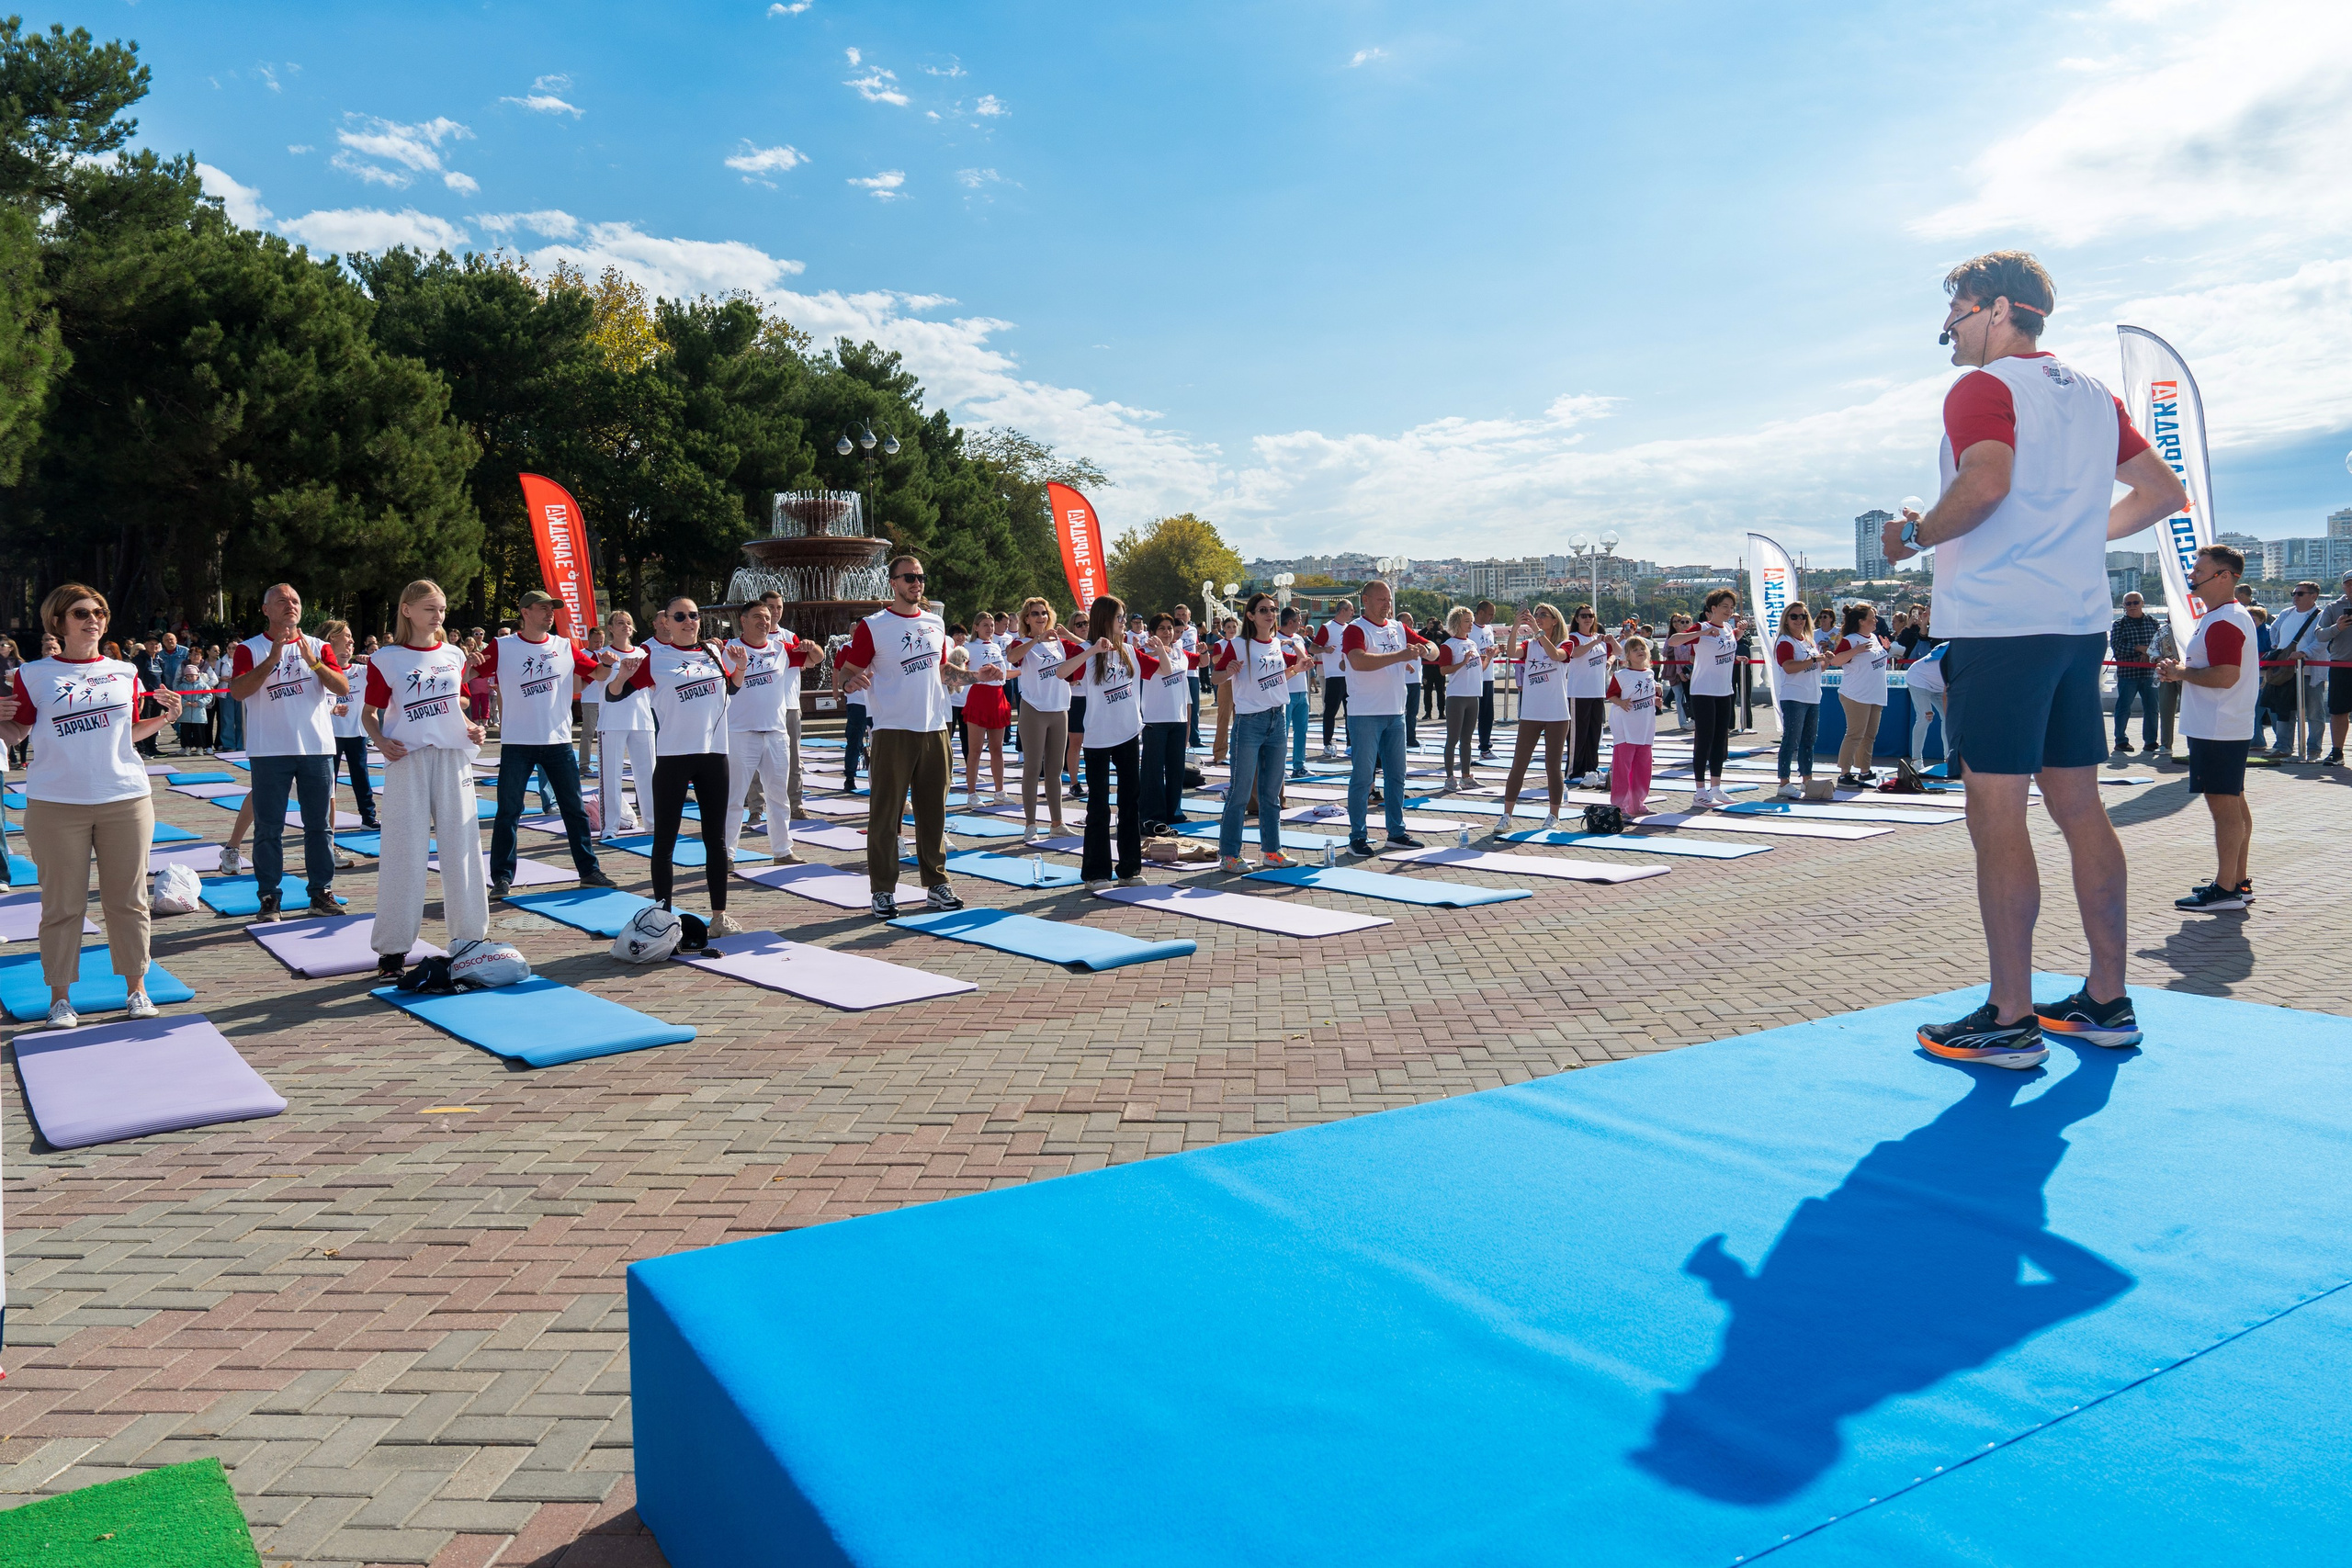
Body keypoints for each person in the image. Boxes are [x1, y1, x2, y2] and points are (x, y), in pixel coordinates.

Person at [1880, 248, 2186, 1066]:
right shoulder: (2090, 394)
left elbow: (1985, 486)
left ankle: (2009, 1014)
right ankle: (2106, 999)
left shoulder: (1983, 387)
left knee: (1997, 813)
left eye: (1958, 308)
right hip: (2074, 621)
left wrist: (1907, 537)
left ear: (1999, 308)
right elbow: (2163, 494)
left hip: (2000, 624)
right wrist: (2079, 535)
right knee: (2079, 805)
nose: (1947, 325)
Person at [0, 583, 183, 1027]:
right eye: (81, 613)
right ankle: (60, 999)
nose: (93, 619)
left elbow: (130, 733)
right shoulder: (33, 674)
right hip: (56, 804)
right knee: (63, 905)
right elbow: (14, 735)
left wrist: (167, 718)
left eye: (99, 611)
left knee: (130, 901)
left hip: (126, 798)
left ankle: (136, 991)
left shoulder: (125, 671)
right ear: (58, 622)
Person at [363, 581, 489, 977]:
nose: (439, 615)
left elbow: (456, 706)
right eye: (431, 608)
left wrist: (474, 728)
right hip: (407, 761)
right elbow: (369, 714)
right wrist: (381, 740)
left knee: (463, 849)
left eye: (442, 608)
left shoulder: (453, 654)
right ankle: (393, 951)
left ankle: (469, 940)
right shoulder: (386, 658)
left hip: (453, 759)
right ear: (407, 610)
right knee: (403, 853)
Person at [833, 555, 970, 919]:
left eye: (921, 577)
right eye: (909, 577)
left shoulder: (935, 622)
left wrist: (978, 677)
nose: (917, 583)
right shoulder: (873, 626)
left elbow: (944, 673)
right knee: (885, 814)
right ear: (892, 582)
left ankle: (937, 883)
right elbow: (845, 673)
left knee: (934, 813)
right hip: (892, 730)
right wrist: (850, 682)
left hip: (934, 728)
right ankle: (882, 890)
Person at [607, 597, 741, 932]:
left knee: (717, 840)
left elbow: (733, 689)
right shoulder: (653, 659)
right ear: (666, 621)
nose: (688, 621)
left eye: (694, 615)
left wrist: (738, 668)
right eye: (680, 616)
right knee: (665, 840)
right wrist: (621, 677)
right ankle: (662, 917)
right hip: (673, 758)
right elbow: (613, 695)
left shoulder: (714, 653)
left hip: (714, 755)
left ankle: (720, 916)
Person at [225, 582, 349, 921]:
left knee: (319, 826)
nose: (290, 605)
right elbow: (237, 692)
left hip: (317, 749)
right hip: (269, 751)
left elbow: (342, 687)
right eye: (281, 601)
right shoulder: (249, 649)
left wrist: (314, 664)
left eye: (295, 600)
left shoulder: (319, 646)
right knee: (268, 828)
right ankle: (269, 896)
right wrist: (272, 660)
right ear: (266, 609)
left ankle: (320, 892)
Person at [481, 592, 613, 899]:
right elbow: (471, 672)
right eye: (543, 609)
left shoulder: (564, 646)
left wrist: (607, 663)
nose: (550, 614)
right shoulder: (502, 647)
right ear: (524, 612)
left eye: (552, 609)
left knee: (574, 811)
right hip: (517, 743)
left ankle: (589, 871)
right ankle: (501, 877)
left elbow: (598, 674)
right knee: (508, 812)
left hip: (558, 742)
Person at [2160, 546, 2258, 911]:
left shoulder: (2224, 620)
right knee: (2232, 802)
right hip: (2222, 725)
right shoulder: (2223, 616)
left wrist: (2180, 672)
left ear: (2224, 576)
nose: (2192, 576)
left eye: (2199, 570)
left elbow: (2225, 676)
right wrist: (2182, 671)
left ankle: (2226, 888)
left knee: (2224, 806)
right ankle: (2237, 881)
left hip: (2218, 727)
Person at [1054, 594, 1150, 888]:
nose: (1125, 623)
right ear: (1106, 619)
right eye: (1120, 618)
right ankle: (1096, 873)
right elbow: (1061, 672)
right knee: (1098, 805)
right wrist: (1092, 649)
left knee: (1130, 803)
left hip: (1129, 733)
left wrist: (1164, 649)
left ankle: (1130, 869)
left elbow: (1164, 670)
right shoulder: (1087, 650)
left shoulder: (1129, 651)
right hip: (1098, 738)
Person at [1212, 592, 1309, 872]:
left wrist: (1297, 667)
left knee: (1271, 794)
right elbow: (1216, 677)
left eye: (1274, 610)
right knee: (1240, 793)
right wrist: (1227, 670)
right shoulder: (1238, 645)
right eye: (1264, 610)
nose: (1270, 614)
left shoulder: (1278, 644)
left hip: (1277, 720)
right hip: (1249, 723)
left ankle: (1272, 850)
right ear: (1251, 615)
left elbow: (1280, 676)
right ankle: (1229, 854)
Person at [720, 597, 818, 869]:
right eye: (758, 617)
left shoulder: (781, 648)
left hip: (775, 733)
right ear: (743, 621)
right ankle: (726, 854)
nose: (765, 622)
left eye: (768, 617)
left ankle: (782, 850)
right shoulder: (729, 650)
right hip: (741, 733)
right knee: (734, 798)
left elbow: (816, 658)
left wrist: (812, 646)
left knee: (779, 797)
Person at [1342, 580, 1437, 855]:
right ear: (1366, 601)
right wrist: (1400, 656)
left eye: (1390, 599)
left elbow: (1433, 649)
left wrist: (1426, 649)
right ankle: (1357, 836)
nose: (1388, 604)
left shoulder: (1398, 627)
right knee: (1362, 777)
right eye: (1382, 599)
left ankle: (1396, 832)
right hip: (1365, 713)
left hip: (1395, 712)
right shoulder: (1355, 629)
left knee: (1397, 776)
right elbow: (1358, 661)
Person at [1005, 598, 1080, 841]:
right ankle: (1030, 825)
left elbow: (1089, 648)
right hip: (1034, 709)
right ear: (1026, 618)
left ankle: (1057, 823)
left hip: (1059, 709)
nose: (1040, 617)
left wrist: (1068, 633)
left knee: (1055, 770)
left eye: (1044, 613)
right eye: (1035, 613)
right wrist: (1036, 639)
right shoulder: (1023, 641)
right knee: (1032, 767)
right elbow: (1012, 657)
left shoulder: (1059, 641)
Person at [1668, 590, 1746, 807]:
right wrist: (1701, 634)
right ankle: (1700, 791)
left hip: (1724, 691)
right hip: (1703, 691)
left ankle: (1716, 788)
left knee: (1720, 740)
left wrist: (1738, 637)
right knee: (1704, 740)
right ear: (1713, 609)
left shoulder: (1729, 628)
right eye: (1724, 607)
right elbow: (1674, 641)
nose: (1729, 611)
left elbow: (1724, 647)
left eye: (1731, 607)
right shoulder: (1702, 627)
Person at [1498, 602, 1572, 832]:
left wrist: (1538, 633)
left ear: (1554, 620)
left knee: (1553, 766)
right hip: (1531, 713)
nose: (1538, 618)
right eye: (1536, 615)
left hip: (1557, 713)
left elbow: (1556, 655)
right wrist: (1515, 626)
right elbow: (1511, 653)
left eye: (1543, 615)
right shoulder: (1529, 645)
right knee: (1519, 764)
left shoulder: (1565, 643)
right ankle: (1507, 815)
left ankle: (1553, 814)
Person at [594, 609, 656, 837]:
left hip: (642, 719)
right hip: (612, 721)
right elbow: (596, 677)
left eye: (628, 623)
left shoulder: (643, 653)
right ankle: (610, 827)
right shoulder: (603, 654)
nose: (625, 626)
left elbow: (654, 685)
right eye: (620, 623)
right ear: (610, 628)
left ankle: (653, 823)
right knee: (611, 776)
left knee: (648, 775)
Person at [1136, 613, 1194, 831]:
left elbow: (1184, 688)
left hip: (1177, 720)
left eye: (1170, 628)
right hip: (1155, 720)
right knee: (1152, 771)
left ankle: (1174, 812)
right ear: (1152, 633)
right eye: (1162, 628)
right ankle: (1151, 815)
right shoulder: (1144, 655)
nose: (1167, 632)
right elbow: (1161, 667)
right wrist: (1160, 649)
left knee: (1176, 770)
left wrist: (1187, 719)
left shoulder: (1181, 653)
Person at [320, 622, 378, 831]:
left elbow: (389, 674)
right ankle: (326, 822)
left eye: (352, 640)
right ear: (332, 639)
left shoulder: (362, 670)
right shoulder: (322, 669)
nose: (351, 643)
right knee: (329, 782)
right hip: (329, 735)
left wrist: (374, 660)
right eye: (347, 637)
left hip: (357, 733)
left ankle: (368, 817)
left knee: (361, 776)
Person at [1827, 603, 1894, 788]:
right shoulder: (1850, 640)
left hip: (1875, 694)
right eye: (1872, 618)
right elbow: (1836, 660)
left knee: (1869, 735)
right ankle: (1844, 773)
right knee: (1855, 734)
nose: (1876, 621)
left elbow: (1875, 660)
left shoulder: (1873, 636)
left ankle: (1864, 771)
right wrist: (1855, 650)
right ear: (1861, 621)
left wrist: (1886, 650)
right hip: (1856, 694)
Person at [2265, 580, 2326, 761]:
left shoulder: (2321, 616)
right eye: (2294, 593)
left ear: (2313, 596)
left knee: (2314, 711)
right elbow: (2274, 630)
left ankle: (2314, 749)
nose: (2295, 597)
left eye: (2300, 593)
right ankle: (2283, 746)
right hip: (2286, 671)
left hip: (2310, 672)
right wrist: (2277, 647)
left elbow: (2322, 641)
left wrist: (2304, 653)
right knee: (2284, 710)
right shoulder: (2286, 613)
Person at [1771, 604, 1826, 797]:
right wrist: (1814, 661)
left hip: (1812, 697)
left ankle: (1807, 780)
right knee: (1791, 741)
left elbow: (1818, 668)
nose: (1799, 620)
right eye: (1794, 617)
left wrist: (1824, 660)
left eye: (1802, 616)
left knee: (1809, 741)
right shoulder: (1785, 641)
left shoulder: (1809, 641)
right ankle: (1784, 782)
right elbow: (1788, 667)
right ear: (1786, 619)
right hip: (1794, 697)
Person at [960, 611, 1012, 806]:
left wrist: (1000, 673)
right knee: (975, 751)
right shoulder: (967, 647)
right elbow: (961, 673)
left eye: (991, 625)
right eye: (985, 625)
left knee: (997, 749)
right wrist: (980, 673)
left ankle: (1000, 792)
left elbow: (1004, 675)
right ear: (975, 627)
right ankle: (972, 794)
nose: (989, 629)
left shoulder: (997, 647)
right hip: (979, 697)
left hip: (997, 697)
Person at [1434, 606, 1488, 789]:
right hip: (1457, 696)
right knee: (1453, 738)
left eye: (1471, 620)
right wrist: (1462, 662)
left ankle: (1466, 776)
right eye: (1467, 621)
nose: (1471, 624)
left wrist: (1489, 657)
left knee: (1467, 739)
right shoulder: (1449, 645)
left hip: (1473, 695)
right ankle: (1450, 778)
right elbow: (1443, 670)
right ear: (1457, 623)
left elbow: (1478, 669)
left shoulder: (1472, 643)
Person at [1562, 604, 1615, 787]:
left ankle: (1591, 769)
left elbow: (1617, 653)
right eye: (1583, 616)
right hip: (1578, 692)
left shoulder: (1598, 638)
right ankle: (1574, 771)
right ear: (1577, 619)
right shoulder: (1573, 638)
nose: (1587, 619)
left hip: (1597, 692)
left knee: (1594, 734)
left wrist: (1611, 642)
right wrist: (1595, 642)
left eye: (1590, 616)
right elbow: (1574, 653)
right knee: (1578, 735)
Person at [1606, 637, 1659, 818]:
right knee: (1623, 768)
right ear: (1627, 655)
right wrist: (1621, 702)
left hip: (1645, 728)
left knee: (1643, 768)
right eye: (1635, 649)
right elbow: (1611, 695)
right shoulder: (1621, 675)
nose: (1639, 652)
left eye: (1642, 648)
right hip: (1625, 728)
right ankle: (1619, 806)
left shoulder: (1650, 674)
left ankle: (1638, 804)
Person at [2109, 590, 2160, 754]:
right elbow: (2117, 647)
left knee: (2152, 708)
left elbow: (2159, 645)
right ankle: (2121, 741)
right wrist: (2140, 649)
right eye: (2128, 603)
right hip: (2128, 674)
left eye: (2135, 602)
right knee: (2123, 708)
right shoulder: (2118, 624)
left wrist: (2147, 653)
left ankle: (2151, 741)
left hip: (2149, 674)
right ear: (2123, 606)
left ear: (2142, 604)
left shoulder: (2153, 622)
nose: (2132, 606)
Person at [1898, 602, 1948, 764]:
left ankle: (1949, 759)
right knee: (1926, 717)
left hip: (1938, 685)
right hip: (1919, 679)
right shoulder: (1950, 649)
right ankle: (1916, 761)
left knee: (1949, 718)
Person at [2317, 570, 2352, 765]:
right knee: (2338, 711)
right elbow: (2320, 635)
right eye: (2349, 583)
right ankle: (2337, 752)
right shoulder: (2333, 608)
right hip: (2341, 665)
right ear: (2343, 586)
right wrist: (2337, 627)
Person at [1313, 599, 1353, 760]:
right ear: (1342, 610)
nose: (1353, 612)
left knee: (1351, 711)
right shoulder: (1327, 627)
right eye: (1350, 609)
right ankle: (1328, 744)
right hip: (1334, 676)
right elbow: (1312, 647)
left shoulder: (1351, 628)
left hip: (1350, 675)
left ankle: (1351, 744)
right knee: (1331, 711)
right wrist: (1325, 649)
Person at [1279, 606, 1314, 780]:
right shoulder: (1275, 639)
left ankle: (1299, 765)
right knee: (1282, 733)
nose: (1301, 624)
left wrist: (1293, 644)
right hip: (1286, 692)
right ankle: (1279, 767)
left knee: (1301, 730)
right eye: (1298, 621)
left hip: (1302, 690)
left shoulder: (1298, 638)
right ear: (1290, 621)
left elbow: (1306, 661)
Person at [1171, 601, 1204, 752]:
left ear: (1189, 615)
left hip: (1193, 673)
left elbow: (1197, 647)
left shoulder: (1193, 630)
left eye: (1184, 614)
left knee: (1194, 708)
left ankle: (1195, 739)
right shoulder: (1171, 630)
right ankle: (1179, 740)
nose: (1181, 617)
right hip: (1178, 673)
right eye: (1178, 615)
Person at [576, 623, 605, 781]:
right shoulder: (582, 654)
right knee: (588, 733)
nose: (599, 645)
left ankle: (604, 763)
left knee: (605, 734)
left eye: (601, 642)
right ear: (589, 639)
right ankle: (584, 764)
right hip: (589, 700)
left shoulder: (606, 654)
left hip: (606, 700)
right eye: (596, 642)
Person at [1471, 601, 1500, 761]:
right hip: (1474, 677)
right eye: (1490, 614)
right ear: (1480, 612)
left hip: (1488, 676)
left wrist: (1496, 651)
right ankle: (1465, 747)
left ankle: (1485, 747)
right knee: (1471, 715)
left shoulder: (1489, 629)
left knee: (1487, 715)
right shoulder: (1470, 630)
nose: (1492, 617)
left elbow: (1489, 650)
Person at [175, 649, 216, 755]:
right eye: (187, 676)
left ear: (197, 676)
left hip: (199, 714)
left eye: (192, 676)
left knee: (199, 732)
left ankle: (200, 747)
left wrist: (200, 703)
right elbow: (178, 696)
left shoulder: (203, 685)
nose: (190, 678)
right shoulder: (182, 686)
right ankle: (186, 747)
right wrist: (184, 703)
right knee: (185, 732)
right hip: (185, 714)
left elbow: (209, 695)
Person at [1398, 610, 1424, 751]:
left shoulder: (1415, 637)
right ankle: (1402, 737)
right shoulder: (1397, 638)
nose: (1411, 623)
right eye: (1408, 620)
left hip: (1415, 679)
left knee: (1413, 711)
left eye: (1412, 620)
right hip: (1402, 680)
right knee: (1401, 711)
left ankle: (1411, 737)